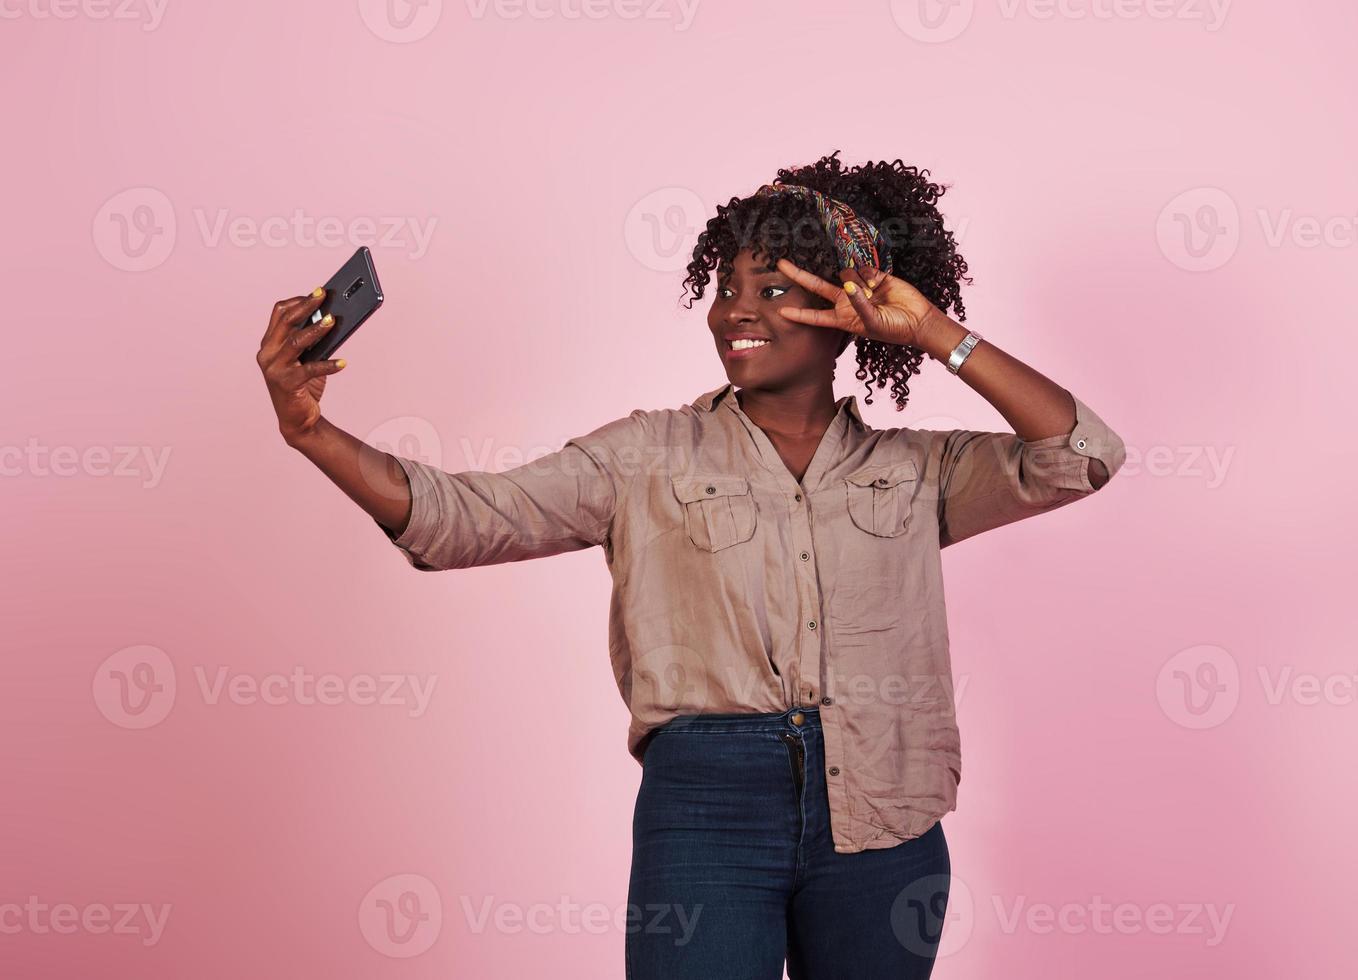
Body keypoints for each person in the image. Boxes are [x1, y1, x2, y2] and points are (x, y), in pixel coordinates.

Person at [256, 152, 1126, 979]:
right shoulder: (647, 454)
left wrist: (933, 331)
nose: (735, 311)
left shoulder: (917, 468)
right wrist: (310, 432)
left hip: (885, 810)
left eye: (774, 290)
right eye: (725, 290)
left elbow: (1080, 453)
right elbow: (462, 522)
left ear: (847, 313)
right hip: (709, 804)